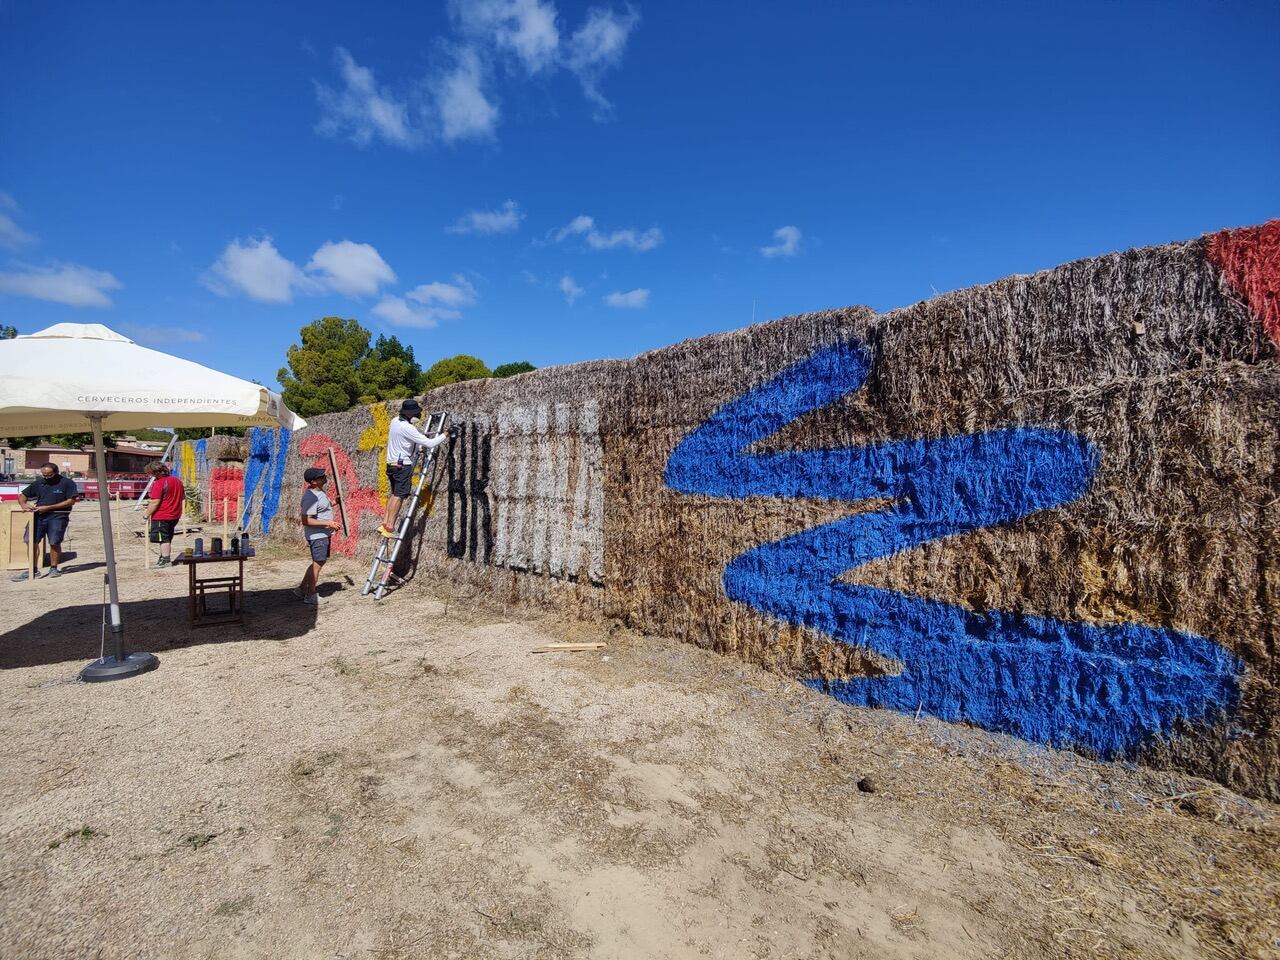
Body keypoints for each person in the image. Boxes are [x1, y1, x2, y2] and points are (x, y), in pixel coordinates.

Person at [379, 399, 447, 537]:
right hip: (402, 466)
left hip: (391, 464)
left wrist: (417, 447)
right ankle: (390, 528)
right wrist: (446, 434)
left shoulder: (394, 421)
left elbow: (408, 441)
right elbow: (430, 443)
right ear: (411, 413)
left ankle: (385, 523)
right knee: (399, 496)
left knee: (394, 494)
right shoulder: (407, 428)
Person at [12, 463, 80, 580]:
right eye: (44, 475)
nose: (47, 477)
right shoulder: (39, 483)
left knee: (54, 542)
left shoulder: (67, 483)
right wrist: (23, 504)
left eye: (49, 475)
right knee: (31, 541)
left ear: (56, 472)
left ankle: (53, 568)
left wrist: (48, 507)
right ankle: (32, 569)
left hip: (58, 516)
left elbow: (70, 501)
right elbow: (23, 495)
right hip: (38, 516)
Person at [295, 466, 341, 606]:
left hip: (322, 533)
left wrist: (334, 502)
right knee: (318, 562)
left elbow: (322, 508)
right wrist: (329, 523)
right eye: (321, 476)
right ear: (313, 481)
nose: (324, 477)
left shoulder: (319, 492)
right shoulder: (311, 497)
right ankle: (311, 594)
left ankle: (302, 589)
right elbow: (306, 520)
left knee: (317, 561)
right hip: (317, 535)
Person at [141, 461, 185, 568]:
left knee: (163, 538)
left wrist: (146, 515)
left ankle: (166, 560)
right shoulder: (177, 481)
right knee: (167, 537)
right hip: (174, 514)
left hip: (162, 515)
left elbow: (155, 502)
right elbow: (183, 498)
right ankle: (163, 557)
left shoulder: (159, 483)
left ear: (155, 472)